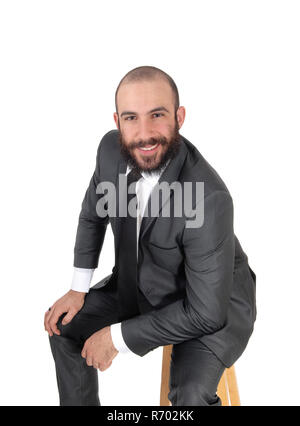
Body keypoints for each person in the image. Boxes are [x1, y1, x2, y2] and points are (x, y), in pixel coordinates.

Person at [44, 65, 256, 406]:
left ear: (179, 117)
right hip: (139, 282)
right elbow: (91, 214)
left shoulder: (208, 197)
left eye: (156, 115)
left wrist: (117, 337)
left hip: (209, 302)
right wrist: (78, 288)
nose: (144, 134)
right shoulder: (110, 151)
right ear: (117, 122)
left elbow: (206, 313)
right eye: (131, 118)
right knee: (62, 327)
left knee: (189, 395)